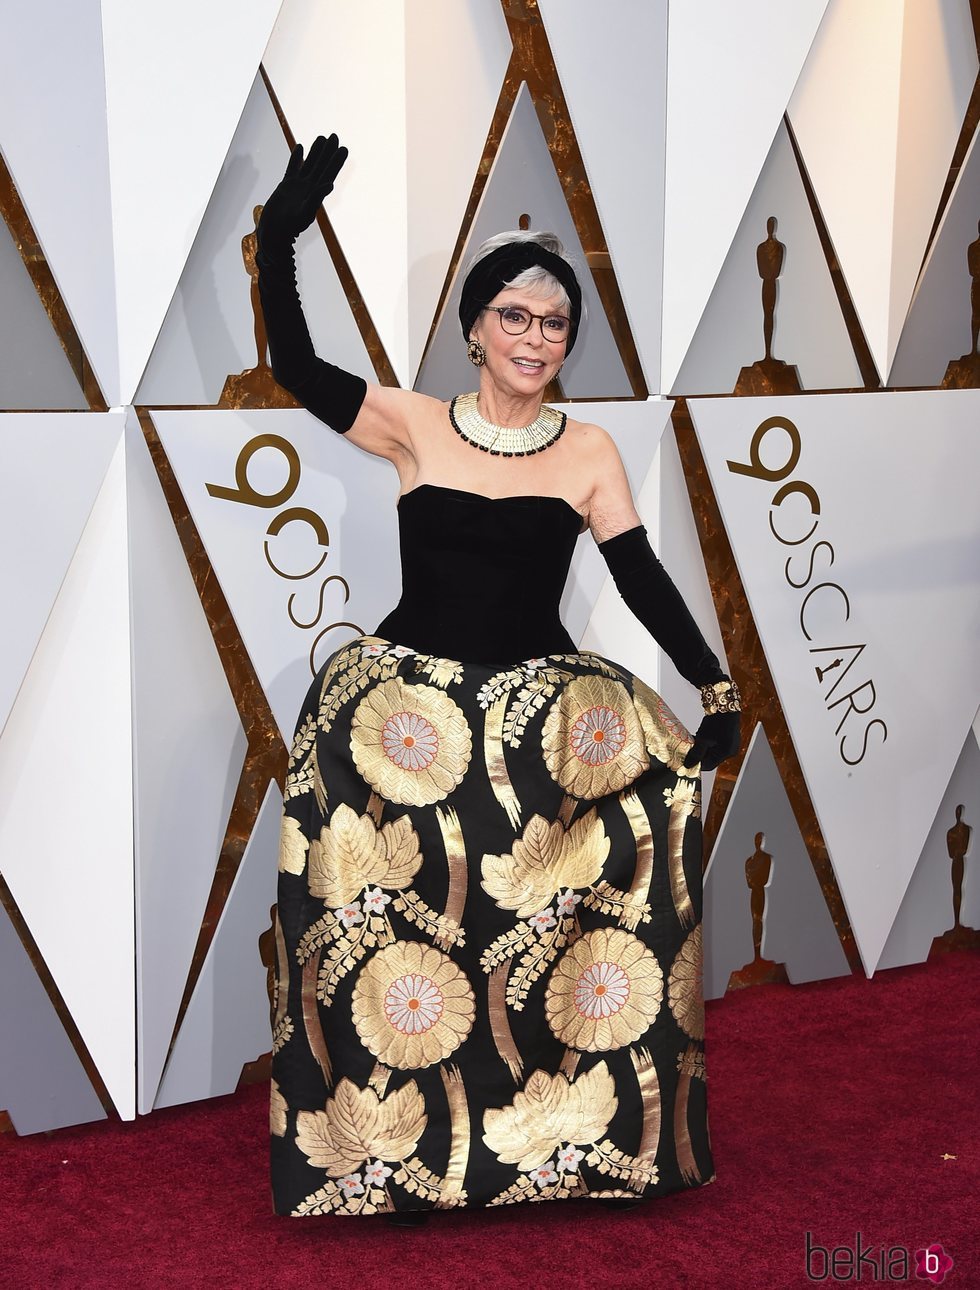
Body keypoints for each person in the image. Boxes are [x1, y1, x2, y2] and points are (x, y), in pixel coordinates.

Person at [258, 135, 740, 1223]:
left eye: (554, 322)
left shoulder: (587, 453)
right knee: (384, 946)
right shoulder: (412, 423)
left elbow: (641, 575)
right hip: (405, 723)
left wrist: (710, 685)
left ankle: (550, 1150)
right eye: (514, 316)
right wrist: (281, 235)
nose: (535, 336)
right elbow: (293, 361)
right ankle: (373, 1160)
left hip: (530, 730)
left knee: (537, 948)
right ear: (475, 328)